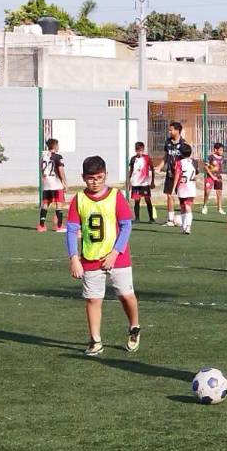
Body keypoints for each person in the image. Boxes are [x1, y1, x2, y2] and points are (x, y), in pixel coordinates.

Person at [65, 155, 141, 356]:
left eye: (99, 177)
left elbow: (126, 226)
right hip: (90, 258)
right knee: (93, 300)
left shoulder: (116, 196)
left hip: (118, 258)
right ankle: (95, 340)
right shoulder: (78, 199)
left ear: (105, 175)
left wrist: (115, 253)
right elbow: (71, 230)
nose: (95, 182)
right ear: (83, 177)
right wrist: (74, 258)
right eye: (91, 178)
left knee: (126, 296)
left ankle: (134, 327)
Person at [159, 122, 187, 227]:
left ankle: (184, 219)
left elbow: (187, 158)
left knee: (182, 197)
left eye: (171, 130)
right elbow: (166, 156)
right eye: (169, 130)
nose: (169, 131)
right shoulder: (168, 142)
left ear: (177, 130)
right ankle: (170, 220)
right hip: (170, 174)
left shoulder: (183, 144)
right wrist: (159, 166)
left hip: (180, 175)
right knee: (169, 195)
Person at [39, 138, 67, 233]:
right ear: (55, 146)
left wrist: (44, 177)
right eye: (57, 145)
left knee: (45, 204)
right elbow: (61, 170)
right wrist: (65, 182)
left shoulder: (43, 156)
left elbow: (41, 168)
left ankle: (41, 226)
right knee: (59, 204)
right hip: (56, 183)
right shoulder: (58, 157)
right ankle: (59, 226)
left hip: (47, 183)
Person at [128, 141, 155, 223]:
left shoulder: (147, 158)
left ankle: (151, 218)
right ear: (136, 150)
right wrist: (128, 181)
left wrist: (152, 181)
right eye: (139, 150)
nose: (140, 152)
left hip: (144, 183)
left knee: (148, 200)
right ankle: (137, 218)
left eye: (142, 150)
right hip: (136, 183)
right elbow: (131, 170)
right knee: (137, 201)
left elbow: (152, 169)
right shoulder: (133, 159)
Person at [174, 143, 197, 234]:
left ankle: (187, 227)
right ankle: (185, 227)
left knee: (185, 207)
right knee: (185, 206)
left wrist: (173, 187)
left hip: (183, 187)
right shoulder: (194, 162)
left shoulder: (179, 163)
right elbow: (196, 172)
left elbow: (177, 175)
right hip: (192, 187)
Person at [202, 142, 226, 215]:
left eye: (222, 150)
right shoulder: (211, 157)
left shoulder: (222, 157)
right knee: (207, 192)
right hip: (210, 176)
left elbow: (219, 167)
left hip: (218, 177)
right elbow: (205, 167)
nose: (222, 151)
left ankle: (219, 208)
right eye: (220, 150)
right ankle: (205, 206)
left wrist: (218, 173)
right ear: (216, 150)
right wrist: (212, 175)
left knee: (219, 192)